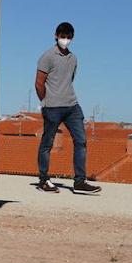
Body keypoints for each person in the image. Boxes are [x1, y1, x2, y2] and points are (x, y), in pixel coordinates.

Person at [35, 22, 102, 193]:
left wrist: (63, 95)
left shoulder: (73, 58)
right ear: (56, 35)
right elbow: (39, 83)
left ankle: (80, 181)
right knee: (47, 144)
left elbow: (69, 80)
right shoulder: (47, 56)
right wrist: (46, 102)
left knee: (81, 141)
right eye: (62, 36)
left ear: (72, 38)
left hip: (72, 106)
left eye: (68, 37)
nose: (65, 40)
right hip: (52, 107)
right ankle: (44, 180)